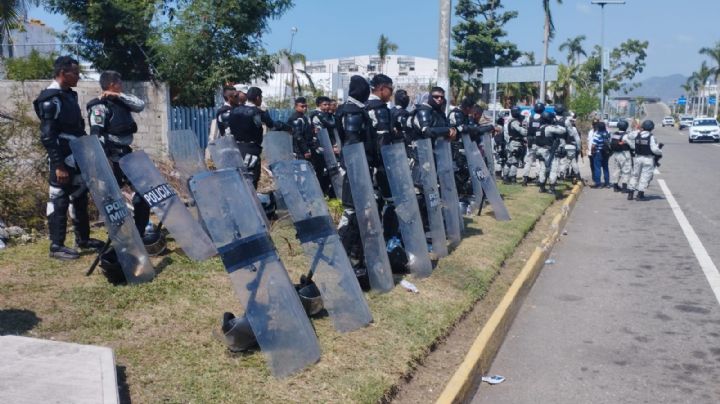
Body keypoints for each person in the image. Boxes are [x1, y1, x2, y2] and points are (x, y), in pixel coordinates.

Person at [33, 56, 103, 259]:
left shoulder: (69, 96)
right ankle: (56, 246)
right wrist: (58, 165)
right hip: (61, 157)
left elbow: (77, 128)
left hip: (77, 154)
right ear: (63, 73)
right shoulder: (51, 99)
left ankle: (83, 238)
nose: (79, 77)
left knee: (80, 196)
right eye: (75, 73)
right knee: (59, 198)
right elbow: (47, 136)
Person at [86, 70, 151, 237]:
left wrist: (119, 96)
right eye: (120, 84)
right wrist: (101, 161)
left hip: (126, 154)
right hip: (110, 156)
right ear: (112, 84)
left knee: (143, 192)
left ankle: (139, 232)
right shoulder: (99, 106)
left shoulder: (122, 101)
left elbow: (140, 105)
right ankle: (117, 236)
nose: (122, 86)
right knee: (112, 199)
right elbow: (96, 133)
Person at [227, 86, 286, 188]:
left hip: (235, 149)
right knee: (251, 178)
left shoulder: (233, 111)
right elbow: (272, 125)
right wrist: (286, 127)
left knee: (239, 179)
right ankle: (249, 202)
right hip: (251, 150)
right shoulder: (257, 112)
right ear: (258, 98)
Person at [626, 120, 663, 201]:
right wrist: (660, 151)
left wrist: (637, 130)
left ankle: (630, 194)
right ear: (652, 128)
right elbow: (654, 149)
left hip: (638, 158)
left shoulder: (637, 134)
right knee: (645, 176)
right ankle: (640, 195)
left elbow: (628, 136)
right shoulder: (651, 137)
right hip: (648, 159)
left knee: (635, 175)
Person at [534, 111, 568, 194]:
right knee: (553, 168)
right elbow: (562, 130)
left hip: (540, 151)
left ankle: (542, 187)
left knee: (543, 169)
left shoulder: (539, 128)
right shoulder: (549, 128)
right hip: (549, 151)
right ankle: (552, 188)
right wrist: (558, 123)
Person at [521, 101, 545, 186]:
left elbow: (525, 127)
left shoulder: (529, 117)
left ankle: (525, 178)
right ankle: (538, 177)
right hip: (540, 142)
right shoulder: (544, 118)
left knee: (529, 161)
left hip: (531, 141)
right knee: (539, 160)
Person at [502, 106, 527, 184]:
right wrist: (527, 130)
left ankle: (506, 177)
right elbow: (523, 132)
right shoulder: (514, 122)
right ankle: (512, 178)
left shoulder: (510, 121)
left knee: (509, 161)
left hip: (512, 142)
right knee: (514, 161)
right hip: (515, 143)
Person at [609, 120, 632, 193]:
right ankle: (624, 187)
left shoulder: (615, 134)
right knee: (626, 170)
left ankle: (615, 186)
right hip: (624, 154)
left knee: (617, 170)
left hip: (616, 154)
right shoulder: (626, 135)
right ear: (626, 127)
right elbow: (632, 145)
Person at [288, 96, 313, 160]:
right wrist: (305, 150)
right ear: (296, 107)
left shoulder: (303, 117)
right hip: (298, 150)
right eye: (302, 106)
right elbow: (298, 136)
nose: (304, 108)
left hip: (306, 147)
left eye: (305, 106)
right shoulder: (296, 118)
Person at [590, 121, 611, 188]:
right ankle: (607, 183)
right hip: (605, 153)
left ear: (598, 127)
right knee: (605, 168)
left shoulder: (597, 134)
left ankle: (598, 184)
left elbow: (593, 145)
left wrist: (592, 151)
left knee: (597, 168)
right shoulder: (607, 134)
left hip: (598, 153)